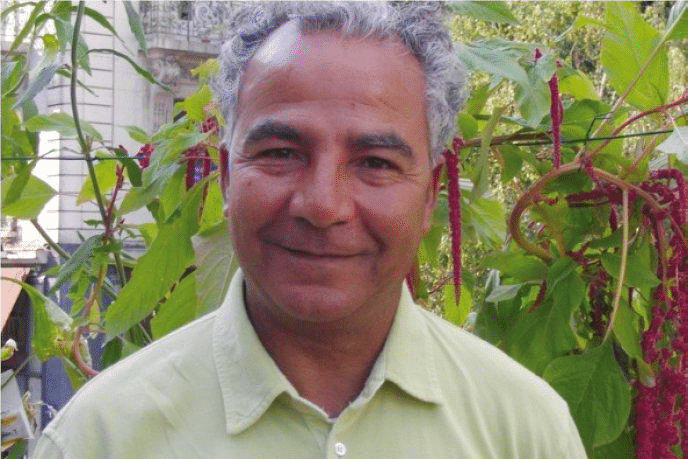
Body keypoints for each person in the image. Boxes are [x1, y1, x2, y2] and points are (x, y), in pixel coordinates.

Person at [33, 2, 586, 458]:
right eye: (280, 153)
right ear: (226, 177)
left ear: (429, 196)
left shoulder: (525, 433)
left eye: (375, 162)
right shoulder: (100, 439)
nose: (323, 205)